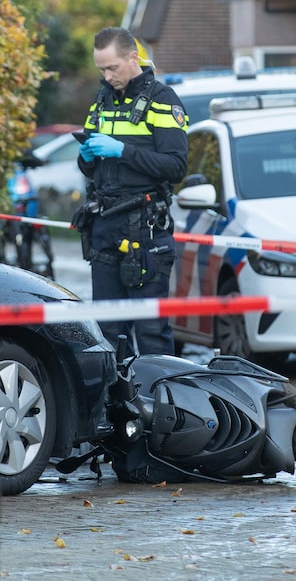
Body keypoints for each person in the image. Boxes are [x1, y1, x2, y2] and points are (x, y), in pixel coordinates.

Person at [72, 27, 188, 357]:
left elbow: (175, 166)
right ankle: (117, 392)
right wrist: (87, 157)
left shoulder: (162, 100)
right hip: (104, 227)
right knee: (108, 332)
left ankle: (158, 390)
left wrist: (122, 151)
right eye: (102, 70)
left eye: (113, 68)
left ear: (133, 58)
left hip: (145, 229)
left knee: (151, 331)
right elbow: (89, 169)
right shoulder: (101, 101)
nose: (107, 77)